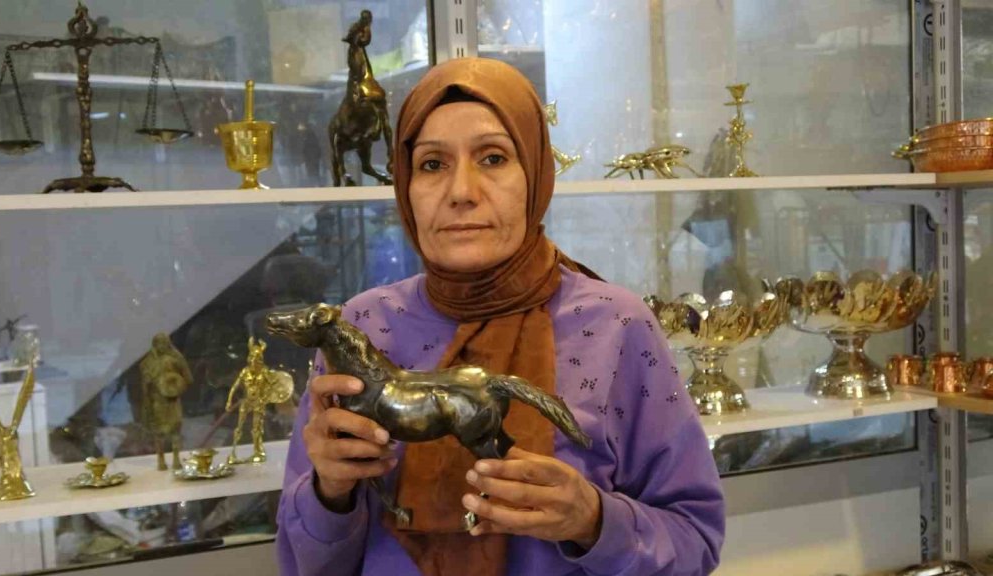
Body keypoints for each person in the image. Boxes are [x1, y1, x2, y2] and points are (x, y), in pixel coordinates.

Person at [276, 57, 725, 576]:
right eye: (432, 164)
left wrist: (593, 520)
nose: (461, 192)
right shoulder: (362, 325)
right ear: (405, 185)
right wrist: (329, 492)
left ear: (534, 172)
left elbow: (695, 542)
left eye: (492, 158)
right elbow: (305, 564)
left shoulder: (616, 326)